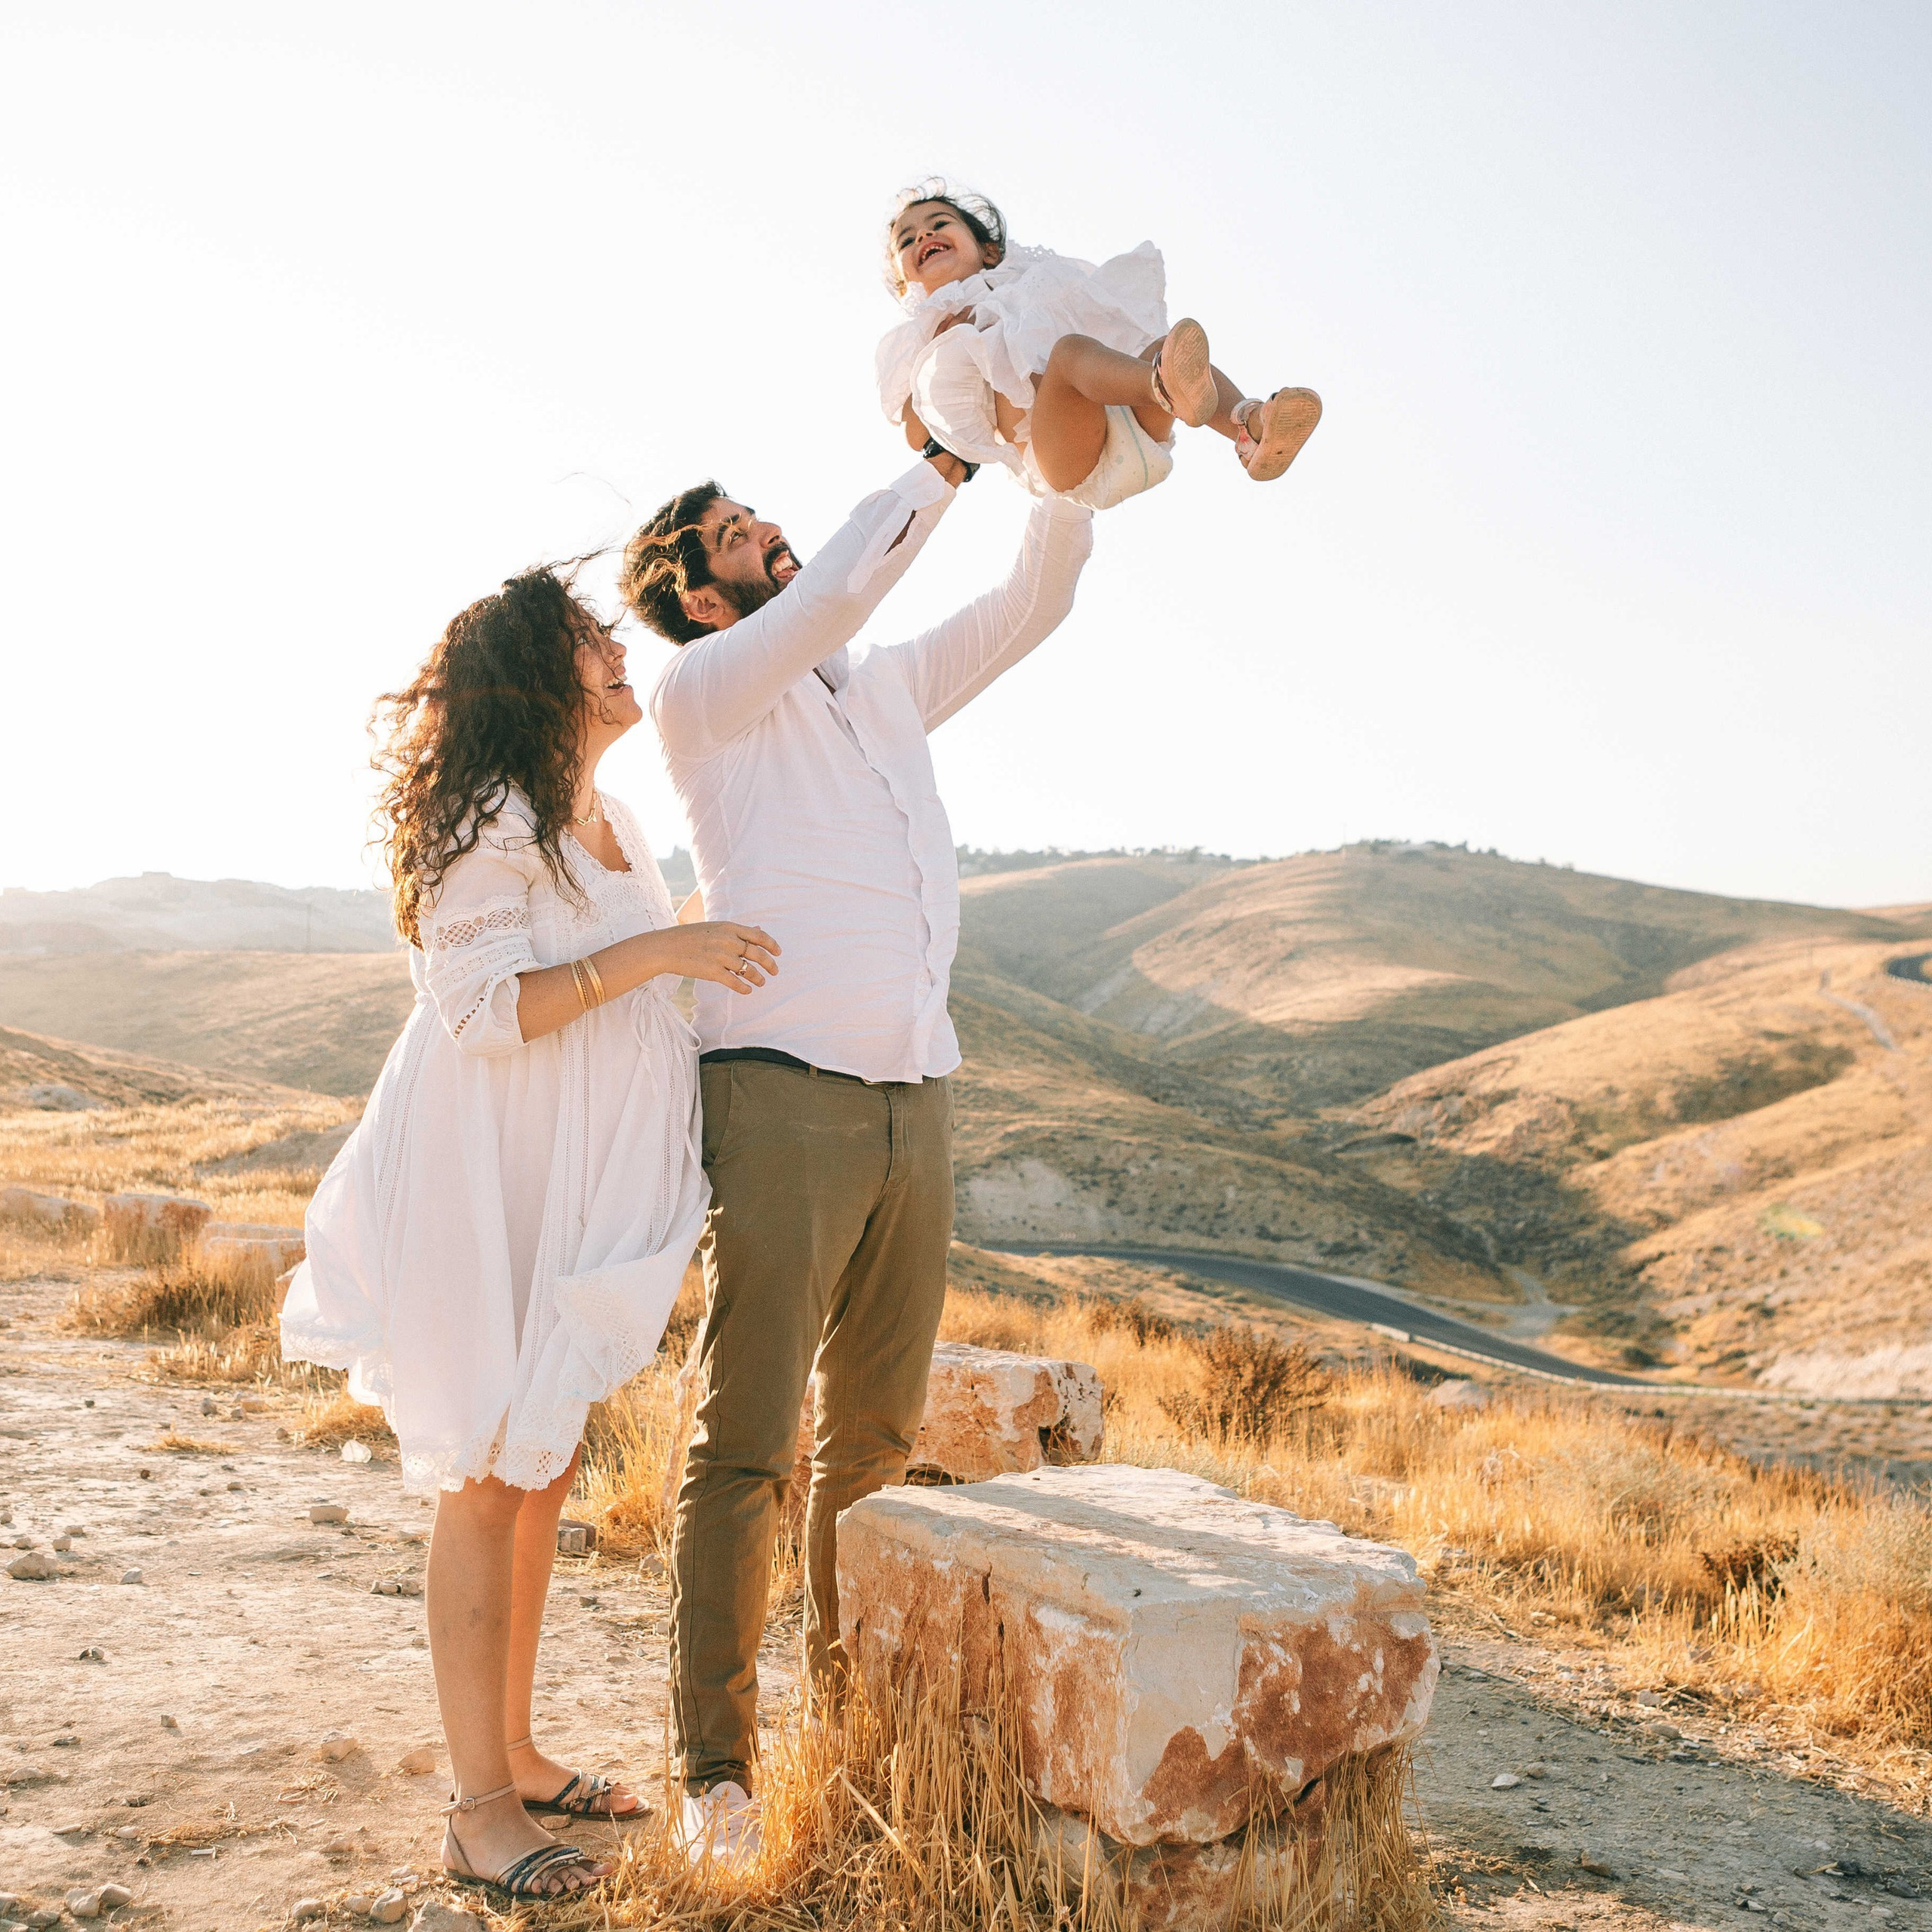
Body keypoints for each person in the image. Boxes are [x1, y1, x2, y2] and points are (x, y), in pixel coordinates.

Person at [619, 439, 1092, 1866]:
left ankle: (854, 1721)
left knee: (875, 1440)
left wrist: (1062, 464)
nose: (762, 527)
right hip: (780, 1093)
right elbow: (833, 590)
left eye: (754, 514)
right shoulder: (703, 696)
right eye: (731, 533)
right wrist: (944, 455)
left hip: (914, 1096)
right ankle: (715, 1774)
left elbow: (1032, 604)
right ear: (702, 599)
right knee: (749, 1442)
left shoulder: (877, 688)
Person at [279, 569, 779, 1903]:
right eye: (588, 644)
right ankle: (478, 1813)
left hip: (570, 1181)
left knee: (542, 1470)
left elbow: (619, 987)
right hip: (485, 1176)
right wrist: (665, 954)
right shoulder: (488, 817)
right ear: (533, 682)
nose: (619, 655)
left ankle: (517, 1750)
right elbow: (483, 1012)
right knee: (488, 1474)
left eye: (611, 636)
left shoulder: (611, 817)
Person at [876, 177, 1321, 509]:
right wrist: (936, 348)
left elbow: (1107, 318)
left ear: (989, 251)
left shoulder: (1031, 283)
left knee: (1161, 346)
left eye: (939, 224)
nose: (924, 237)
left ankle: (1252, 427)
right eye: (908, 240)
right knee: (1068, 354)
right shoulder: (920, 337)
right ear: (905, 284)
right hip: (1064, 452)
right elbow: (918, 433)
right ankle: (1164, 385)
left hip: (1132, 418)